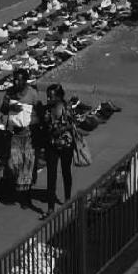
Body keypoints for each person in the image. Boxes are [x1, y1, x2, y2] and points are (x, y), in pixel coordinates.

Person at [0, 75, 38, 210]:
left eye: (19, 79)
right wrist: (8, 106)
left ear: (25, 81)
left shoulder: (32, 93)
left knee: (27, 168)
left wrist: (32, 122)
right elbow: (2, 110)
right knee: (13, 164)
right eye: (14, 79)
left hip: (28, 136)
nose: (16, 82)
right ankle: (12, 191)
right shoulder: (9, 93)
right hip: (13, 135)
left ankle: (25, 198)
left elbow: (38, 111)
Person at [36, 84, 78, 216]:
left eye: (51, 96)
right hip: (51, 145)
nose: (48, 99)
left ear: (59, 96)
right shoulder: (46, 109)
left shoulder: (66, 107)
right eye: (47, 96)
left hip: (66, 144)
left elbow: (73, 123)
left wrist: (61, 129)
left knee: (66, 171)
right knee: (51, 175)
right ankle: (50, 207)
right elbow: (42, 125)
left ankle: (67, 199)